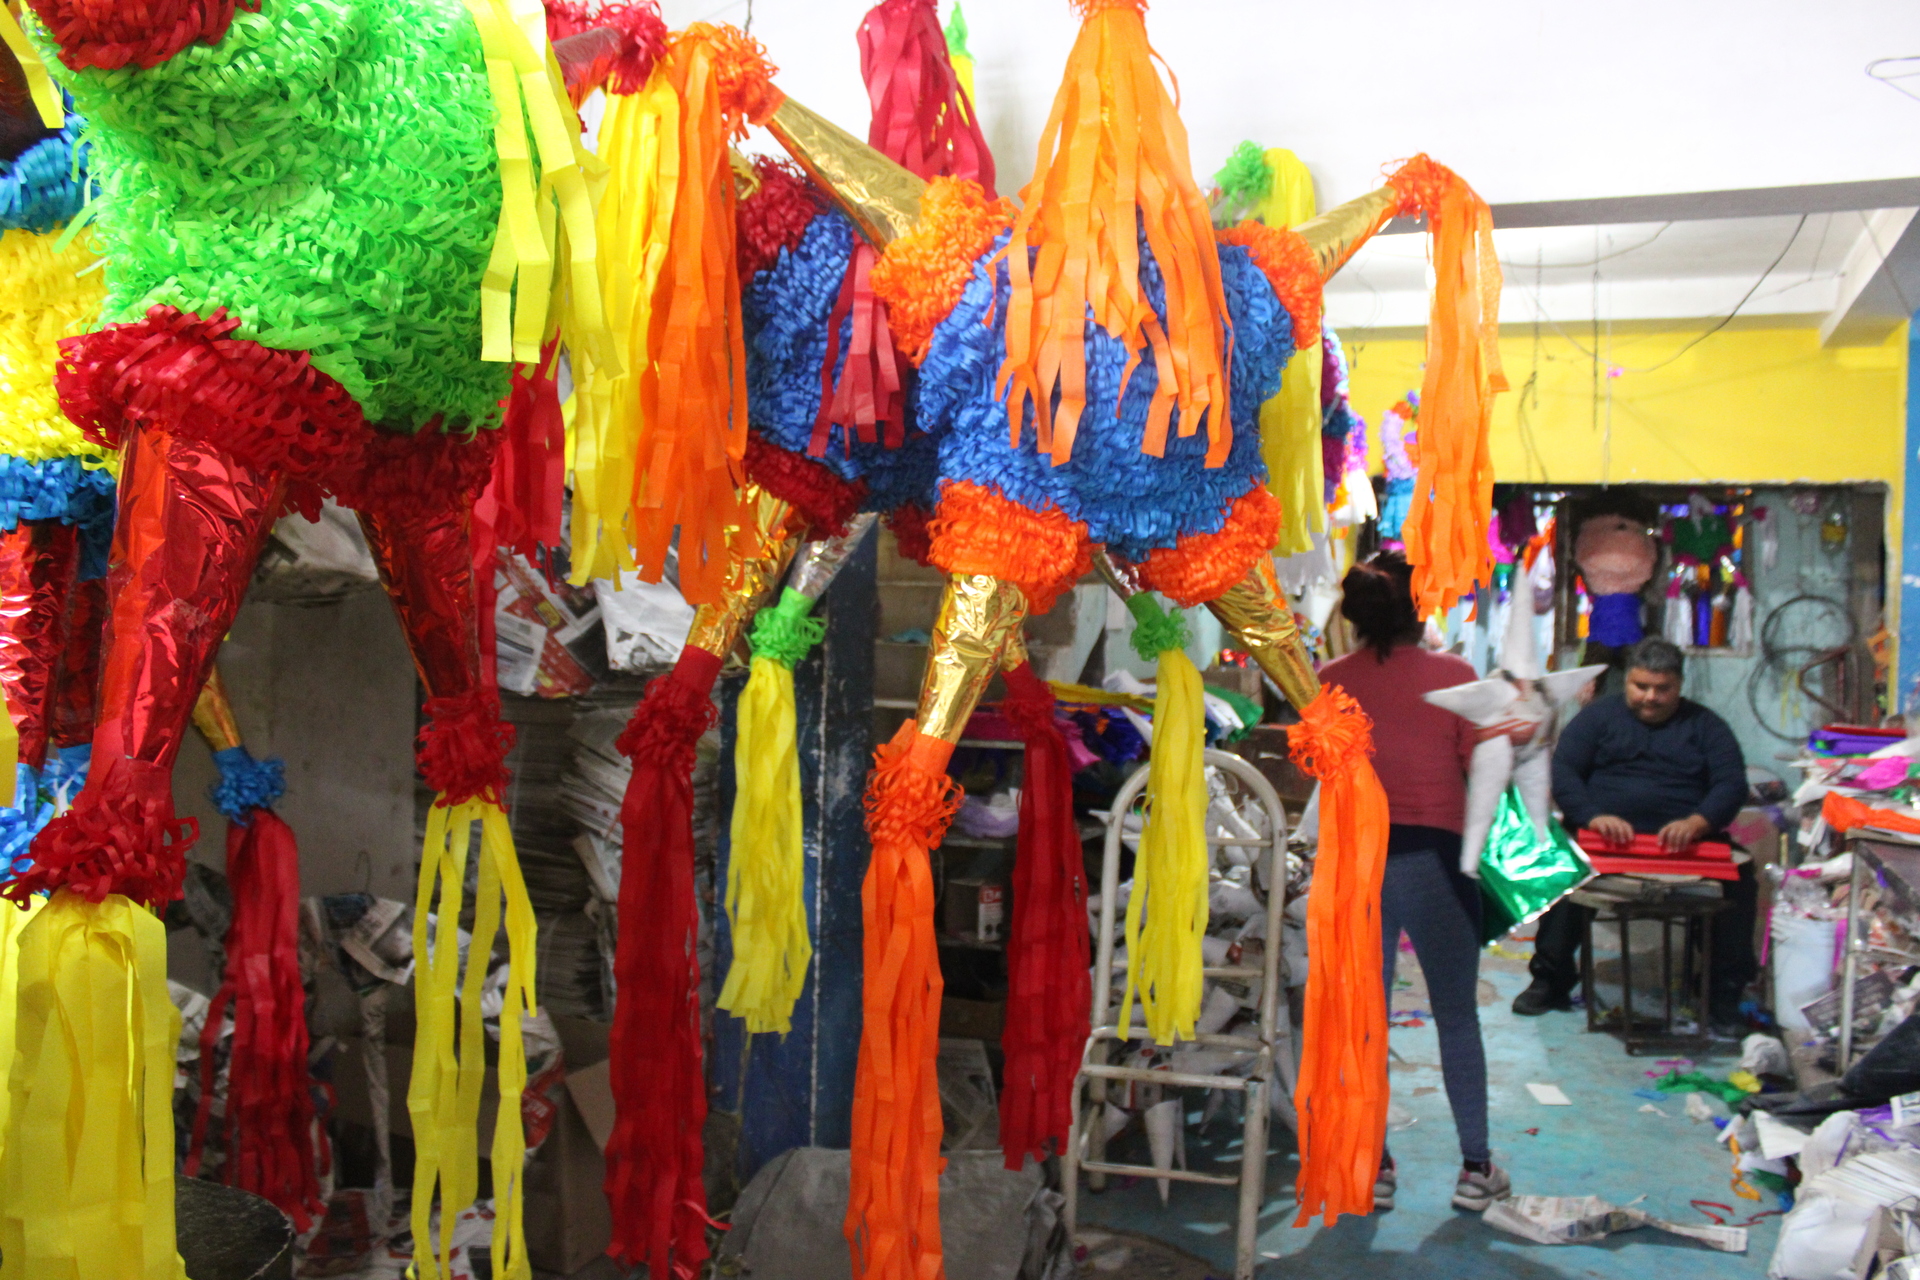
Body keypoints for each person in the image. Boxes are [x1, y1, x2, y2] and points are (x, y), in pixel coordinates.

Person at [1321, 552, 1511, 1214]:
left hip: (1358, 863)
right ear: (1420, 607)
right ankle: (1475, 1169)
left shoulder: (1326, 681)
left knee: (1366, 1021)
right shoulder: (1457, 677)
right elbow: (1488, 771)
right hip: (1437, 858)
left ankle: (1372, 1165)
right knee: (1456, 1017)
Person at [1515, 636, 1756, 1032]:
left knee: (1740, 881)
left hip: (1685, 846)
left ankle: (1721, 995)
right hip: (1603, 841)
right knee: (1559, 864)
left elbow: (1731, 783)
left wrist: (1698, 822)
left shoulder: (1706, 726)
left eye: (1662, 689)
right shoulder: (1597, 719)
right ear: (1626, 680)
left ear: (1679, 685)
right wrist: (1592, 816)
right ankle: (1550, 980)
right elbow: (1563, 771)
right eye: (1641, 686)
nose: (1650, 697)